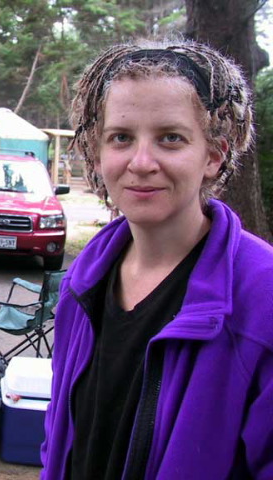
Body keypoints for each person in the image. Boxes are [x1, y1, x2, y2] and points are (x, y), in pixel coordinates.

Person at [41, 39, 273, 479]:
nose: (141, 162)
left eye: (170, 138)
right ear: (98, 152)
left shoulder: (262, 298)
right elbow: (60, 432)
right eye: (121, 138)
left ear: (213, 155)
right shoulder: (82, 282)